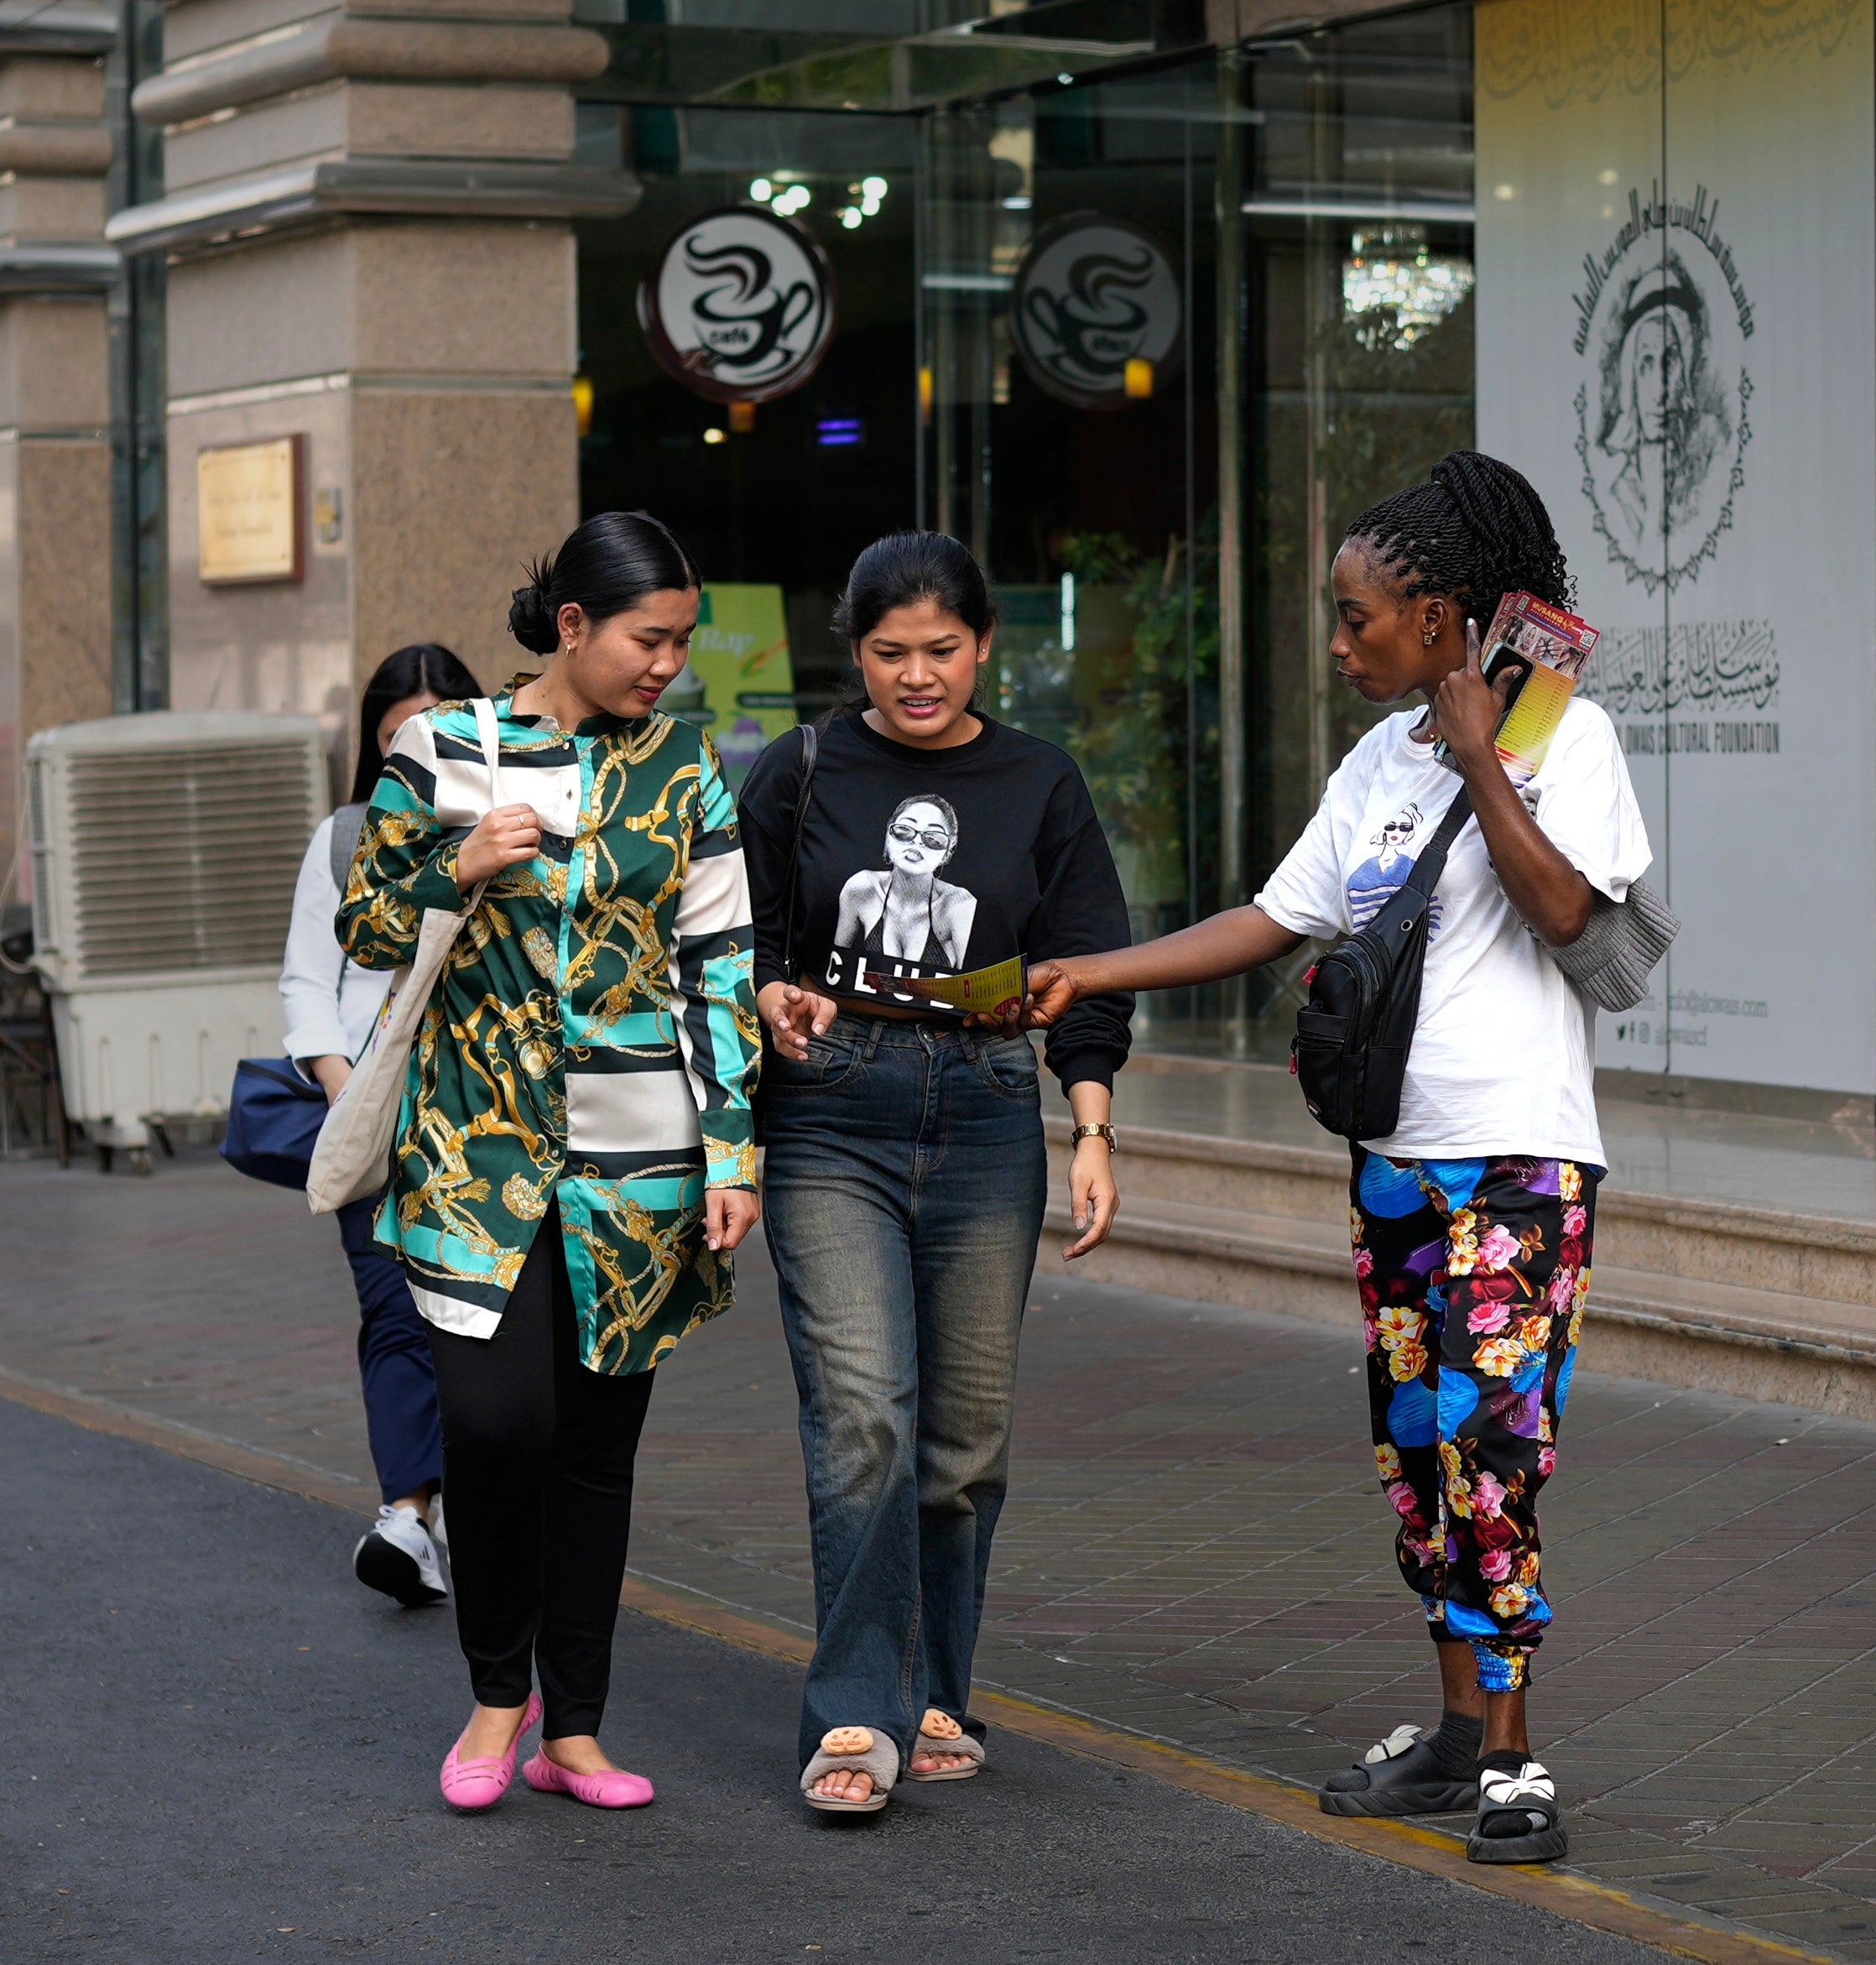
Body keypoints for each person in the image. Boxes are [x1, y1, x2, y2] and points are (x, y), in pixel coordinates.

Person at [1018, 452, 1650, 1867]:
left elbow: (1569, 916)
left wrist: (1484, 750)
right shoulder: (1374, 762)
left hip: (1517, 1165)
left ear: (1440, 615)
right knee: (1414, 1452)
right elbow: (1272, 917)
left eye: (1361, 616)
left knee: (1496, 1452)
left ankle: (1512, 1752)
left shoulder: (1571, 741)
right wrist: (1093, 968)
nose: (1342, 640)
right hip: (1394, 1162)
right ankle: (1446, 1731)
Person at [338, 511, 761, 1815]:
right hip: (473, 1153)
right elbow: (362, 924)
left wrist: (733, 1148)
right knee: (492, 1421)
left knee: (594, 1447)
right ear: (571, 623)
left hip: (638, 1167)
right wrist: (454, 865)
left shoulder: (685, 769)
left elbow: (719, 967)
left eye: (683, 642)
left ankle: (575, 1725)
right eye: (649, 637)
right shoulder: (441, 746)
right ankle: (494, 1692)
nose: (667, 665)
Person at [738, 531, 1132, 1815]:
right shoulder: (797, 771)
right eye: (890, 653)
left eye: (943, 650)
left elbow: (1082, 958)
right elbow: (737, 942)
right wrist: (772, 999)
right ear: (851, 651)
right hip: (828, 1112)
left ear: (983, 644)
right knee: (864, 1417)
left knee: (960, 1442)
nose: (918, 676)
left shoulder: (1039, 779)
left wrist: (1091, 1125)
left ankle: (936, 1682)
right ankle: (854, 1712)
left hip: (983, 1116)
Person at [279, 640, 483, 1607]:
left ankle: (469, 1505)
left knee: (482, 1321)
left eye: (434, 724)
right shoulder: (345, 834)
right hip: (374, 1111)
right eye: (396, 730)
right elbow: (306, 981)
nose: (414, 744)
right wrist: (343, 1090)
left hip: (490, 1113)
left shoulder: (521, 824)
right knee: (394, 1312)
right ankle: (405, 1514)